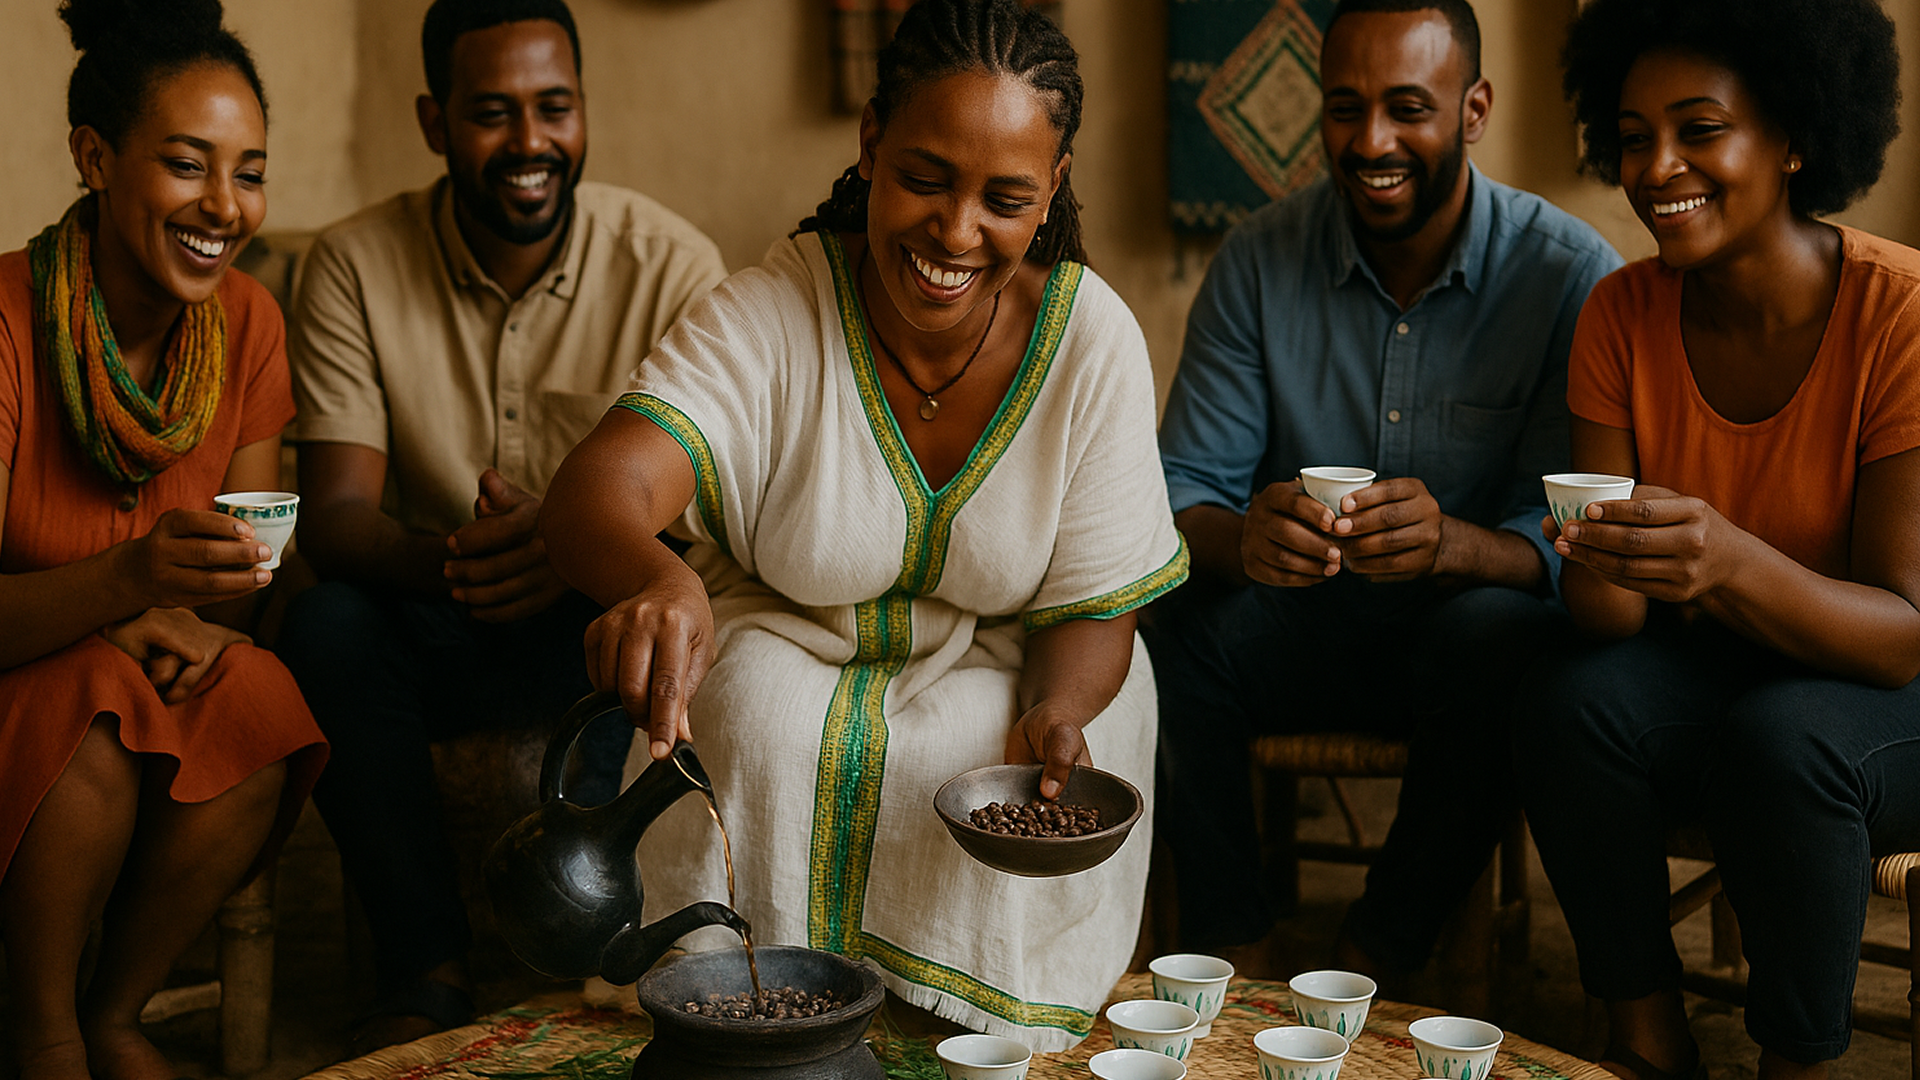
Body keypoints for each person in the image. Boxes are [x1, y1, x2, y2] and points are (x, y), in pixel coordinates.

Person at [539, 0, 1185, 1051]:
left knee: (996, 744)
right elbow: (595, 492)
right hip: (790, 638)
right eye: (926, 177)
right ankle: (747, 1001)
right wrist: (662, 581)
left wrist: (1058, 714)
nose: (956, 231)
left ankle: (956, 1019)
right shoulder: (772, 310)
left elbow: (1093, 602)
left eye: (1005, 197)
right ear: (872, 142)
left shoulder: (1090, 341)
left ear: (1053, 188)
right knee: (753, 710)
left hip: (1015, 659)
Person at [272, 0, 727, 1049]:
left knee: (665, 636)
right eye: (492, 113)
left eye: (553, 107)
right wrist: (467, 564)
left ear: (582, 110)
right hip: (436, 612)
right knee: (323, 624)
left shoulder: (672, 267)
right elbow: (337, 520)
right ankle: (424, 973)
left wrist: (577, 555)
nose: (530, 143)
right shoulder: (350, 262)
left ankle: (603, 981)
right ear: (435, 122)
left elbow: (712, 526)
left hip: (598, 628)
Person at [1144, 0, 1622, 982]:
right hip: (1302, 623)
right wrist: (1246, 538)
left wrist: (1456, 545)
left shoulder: (1569, 277)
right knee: (1162, 618)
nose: (1371, 141)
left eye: (1408, 107)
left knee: (1505, 638)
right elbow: (1186, 489)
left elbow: (1572, 532)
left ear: (1474, 107)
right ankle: (1231, 947)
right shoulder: (1256, 262)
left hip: (1466, 650)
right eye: (1344, 107)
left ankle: (1381, 952)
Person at [1517, 3, 1920, 1079]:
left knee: (1785, 740)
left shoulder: (1901, 317)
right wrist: (1599, 559)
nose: (1658, 166)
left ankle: (1796, 1062)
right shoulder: (1618, 316)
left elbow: (1900, 637)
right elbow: (1610, 628)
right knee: (1567, 703)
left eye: (1700, 130)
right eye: (1636, 133)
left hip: (1886, 694)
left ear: (1794, 136)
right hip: (1730, 675)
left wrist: (1730, 560)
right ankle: (1646, 1035)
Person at [0, 2, 328, 1078]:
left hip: (141, 666)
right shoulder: (5, 320)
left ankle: (115, 1013)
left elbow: (233, 579)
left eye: (250, 171)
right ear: (95, 158)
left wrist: (191, 613)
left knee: (261, 699)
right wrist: (125, 586)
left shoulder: (250, 324)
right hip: (24, 683)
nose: (224, 208)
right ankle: (41, 1027)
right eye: (188, 166)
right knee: (88, 711)